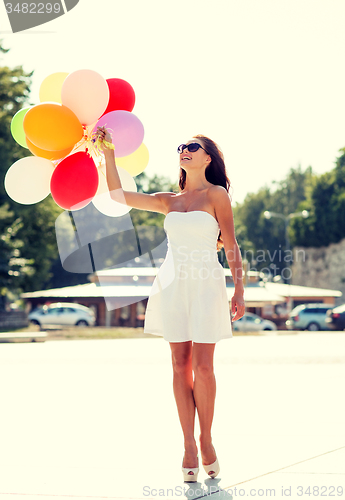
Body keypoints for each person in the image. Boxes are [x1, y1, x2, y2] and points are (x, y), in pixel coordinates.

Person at [96, 127, 245, 482]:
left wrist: (239, 289)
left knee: (203, 367)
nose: (184, 150)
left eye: (192, 146)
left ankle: (206, 440)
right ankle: (188, 446)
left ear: (207, 158)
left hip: (207, 282)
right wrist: (110, 154)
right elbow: (117, 196)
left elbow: (232, 245)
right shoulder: (169, 200)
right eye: (181, 147)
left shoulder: (217, 194)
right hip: (173, 283)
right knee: (180, 365)